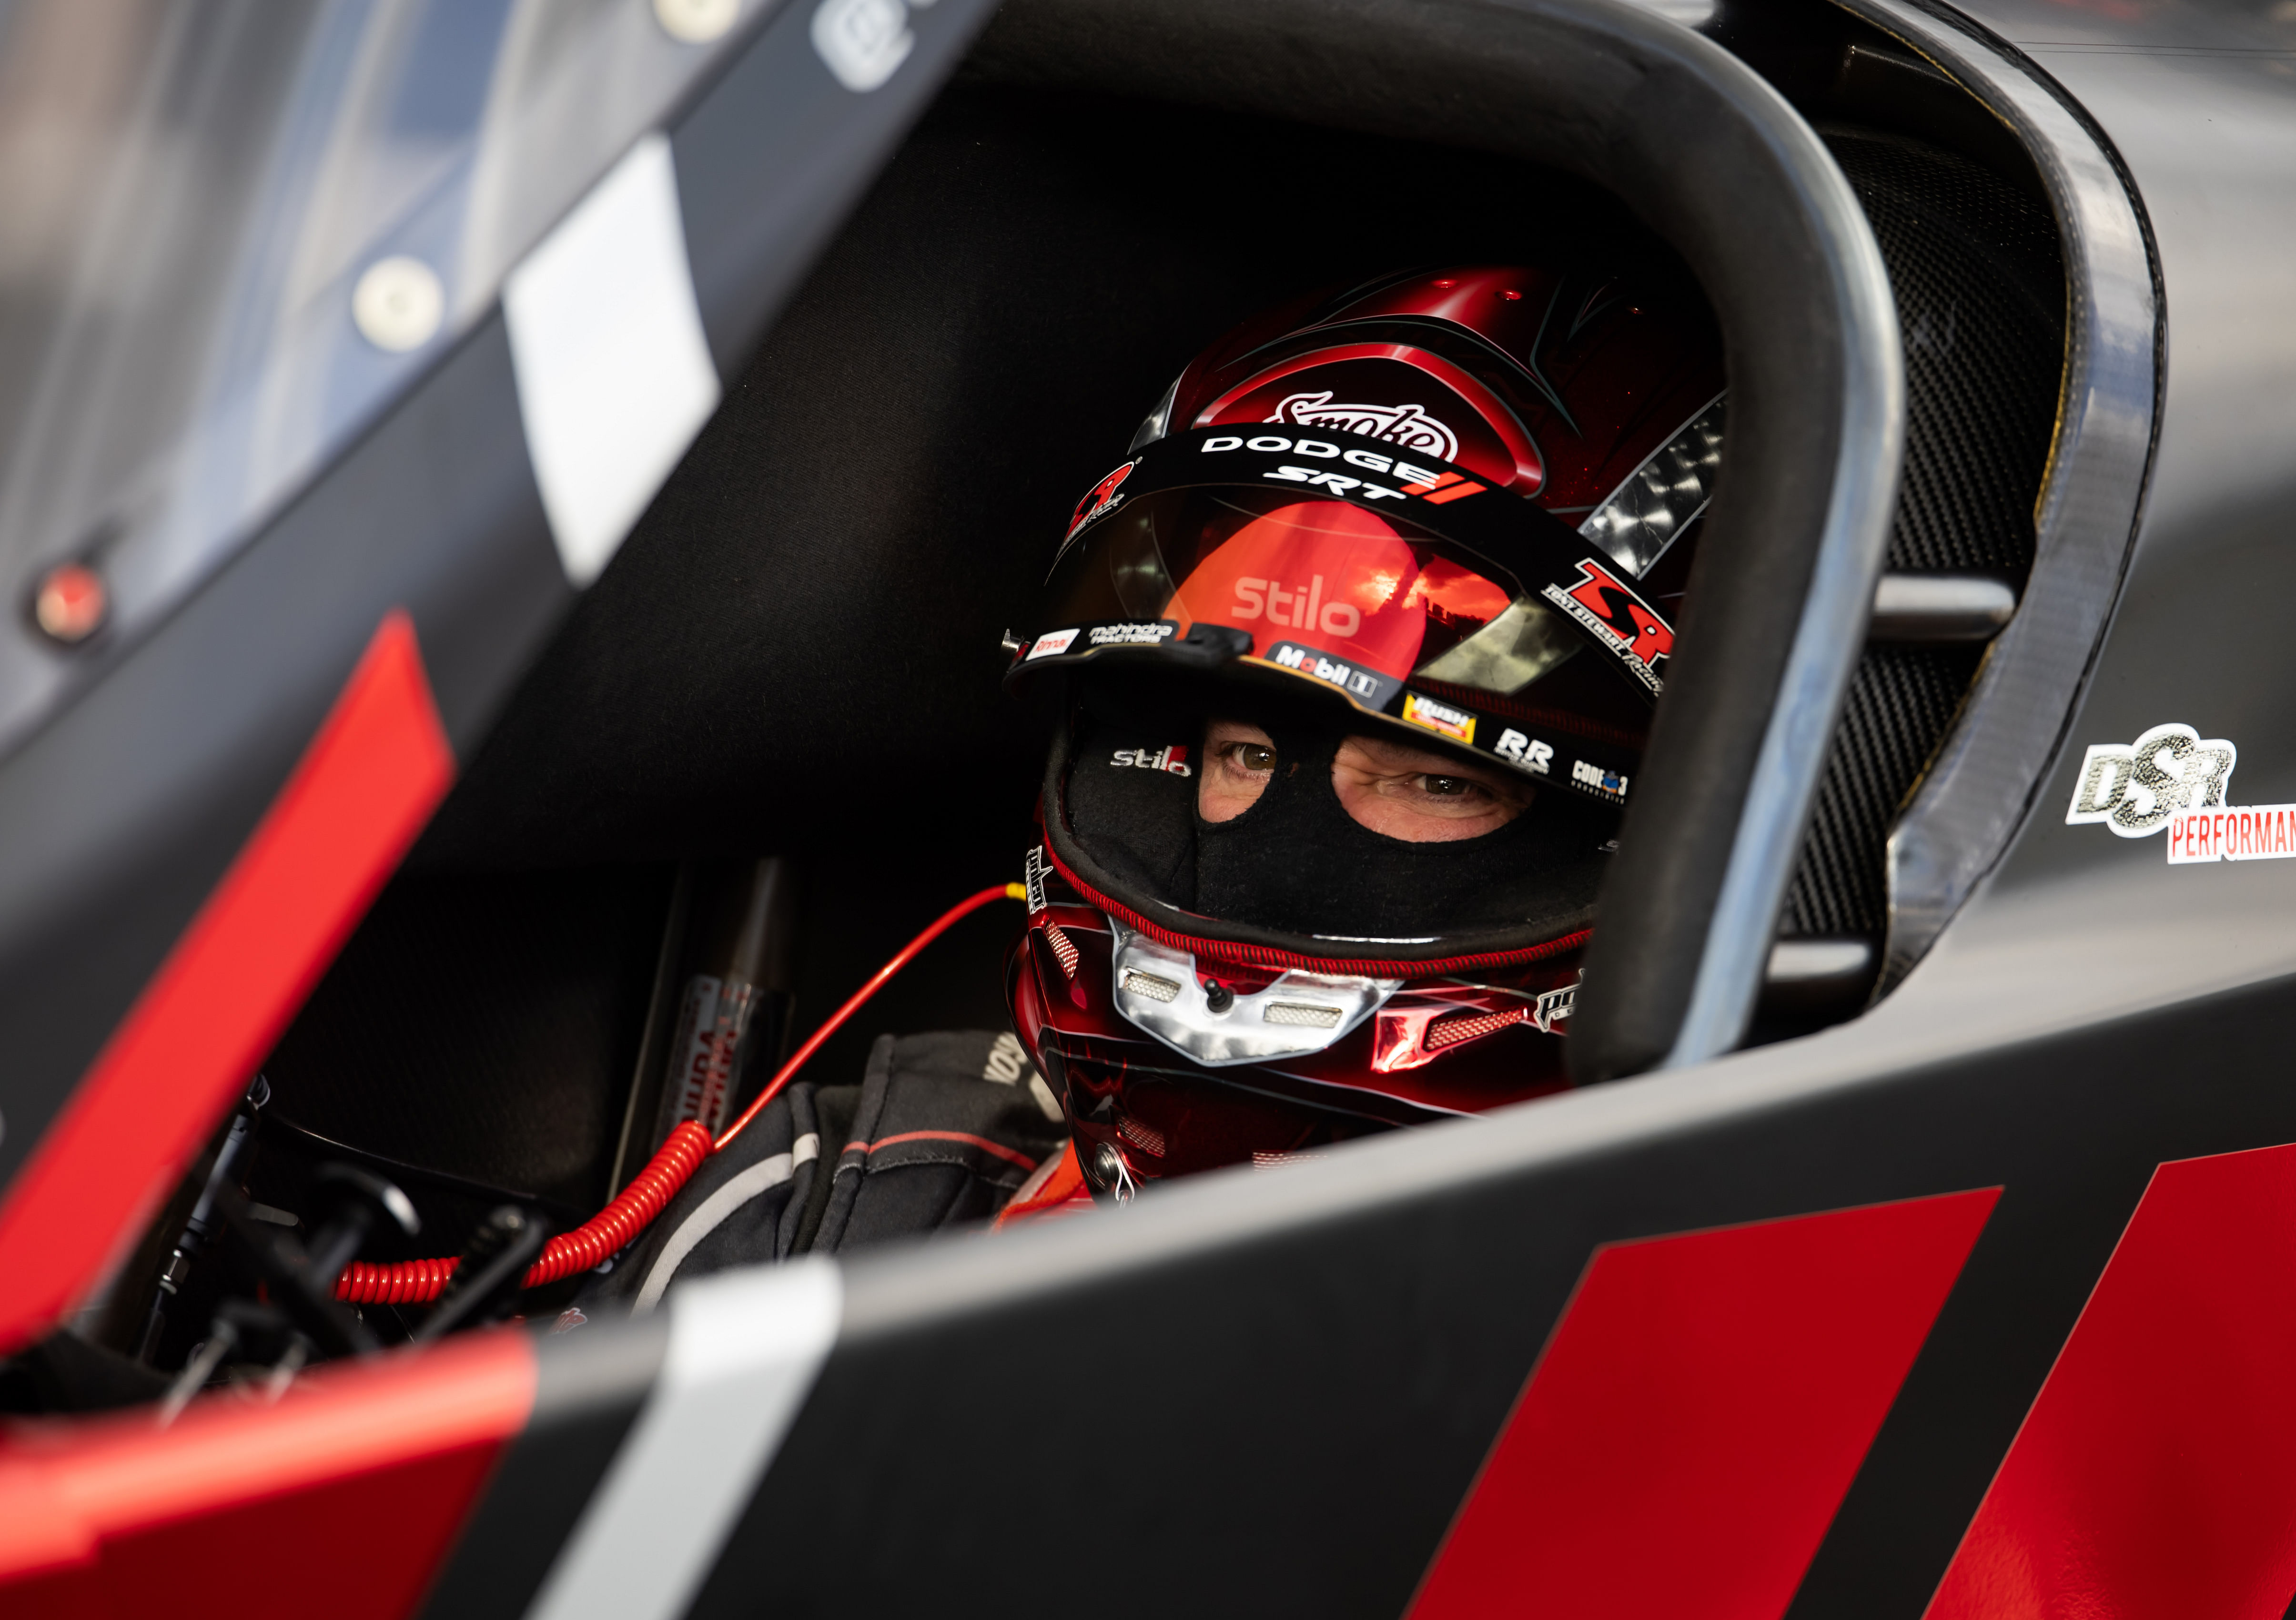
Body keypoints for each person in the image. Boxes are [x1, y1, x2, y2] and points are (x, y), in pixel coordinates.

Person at [573, 261, 1723, 1312]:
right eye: (1245, 753)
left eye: (1435, 777)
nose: (1279, 846)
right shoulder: (849, 1201)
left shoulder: (1715, 1331)